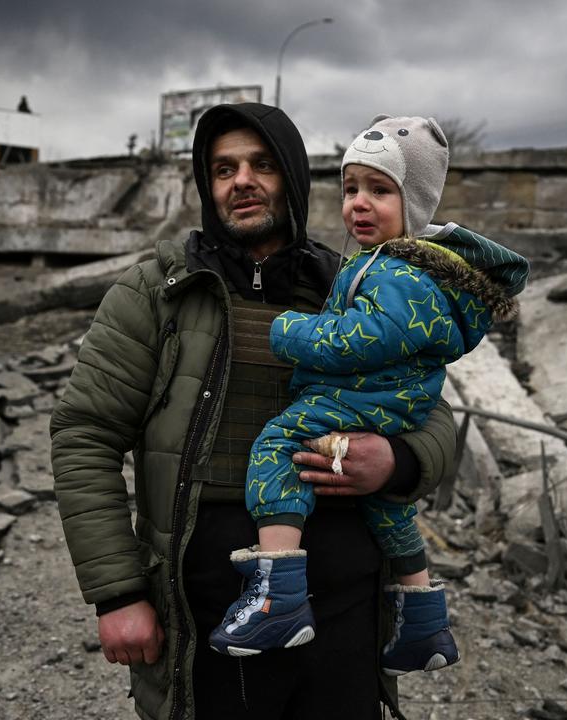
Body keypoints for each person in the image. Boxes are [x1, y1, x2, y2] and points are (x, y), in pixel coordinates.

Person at [50, 103, 459, 719]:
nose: (241, 180)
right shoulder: (155, 294)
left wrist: (397, 462)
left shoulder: (353, 286)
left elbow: (434, 413)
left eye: (261, 164)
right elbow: (84, 435)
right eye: (222, 169)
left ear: (291, 178)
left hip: (347, 608)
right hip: (212, 611)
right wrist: (119, 593)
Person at [208, 116, 529, 677]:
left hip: (363, 396)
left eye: (380, 190)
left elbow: (367, 339)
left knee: (278, 444)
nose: (359, 203)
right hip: (390, 402)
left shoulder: (398, 272)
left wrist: (289, 332)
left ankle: (277, 593)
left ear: (417, 203)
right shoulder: (389, 264)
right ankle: (424, 621)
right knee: (388, 508)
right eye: (351, 188)